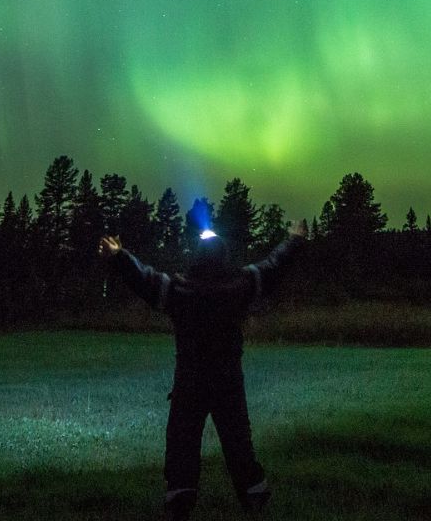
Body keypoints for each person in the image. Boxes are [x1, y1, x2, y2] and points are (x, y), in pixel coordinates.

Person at [97, 198, 309, 519]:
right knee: (238, 443)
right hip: (227, 381)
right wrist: (294, 239)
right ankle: (254, 497)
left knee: (183, 443)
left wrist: (118, 256)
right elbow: (273, 267)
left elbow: (145, 279)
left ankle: (180, 501)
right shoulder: (240, 286)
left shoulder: (180, 291)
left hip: (190, 381)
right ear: (224, 257)